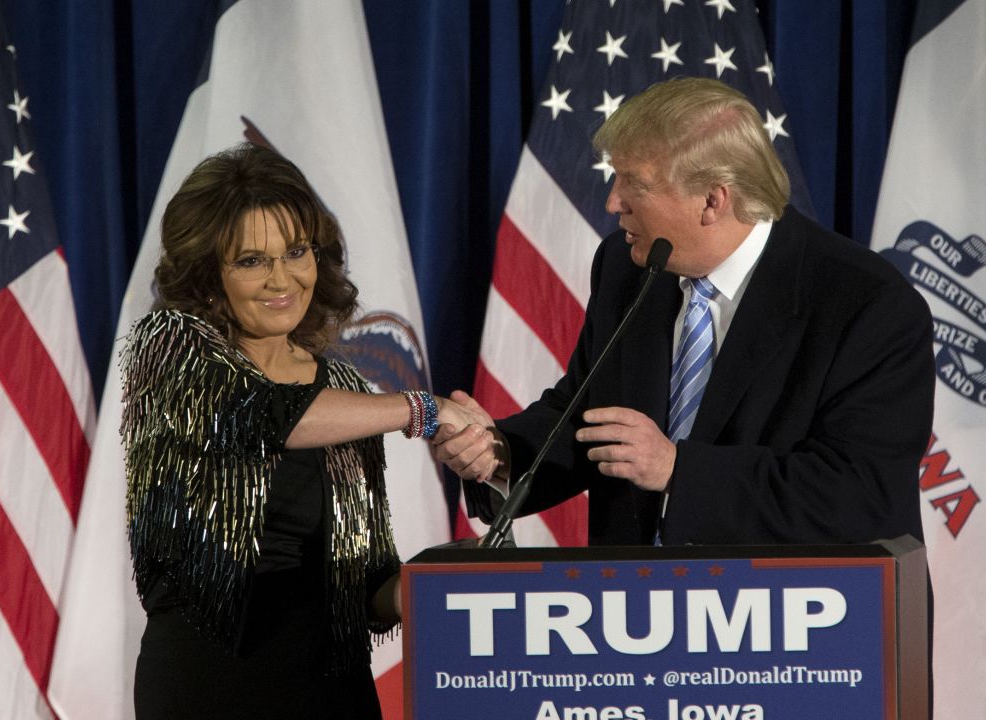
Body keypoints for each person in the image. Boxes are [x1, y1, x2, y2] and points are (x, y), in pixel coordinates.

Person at [437, 77, 935, 547]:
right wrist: (500, 453)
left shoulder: (866, 303)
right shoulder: (626, 267)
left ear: (713, 200)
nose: (613, 202)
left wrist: (677, 469)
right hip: (637, 615)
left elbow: (860, 494)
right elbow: (589, 419)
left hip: (802, 617)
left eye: (634, 183)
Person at [121, 143, 477, 718]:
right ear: (208, 273)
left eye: (296, 252)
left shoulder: (342, 386)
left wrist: (429, 578)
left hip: (332, 690)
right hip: (209, 686)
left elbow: (366, 597)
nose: (281, 279)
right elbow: (262, 416)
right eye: (251, 260)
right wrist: (423, 409)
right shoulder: (168, 347)